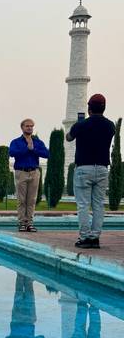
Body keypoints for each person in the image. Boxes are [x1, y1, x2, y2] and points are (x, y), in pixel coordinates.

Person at [66, 93, 115, 248]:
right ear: (104, 107)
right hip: (102, 168)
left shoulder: (81, 125)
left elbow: (68, 137)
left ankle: (85, 237)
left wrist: (77, 126)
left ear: (89, 108)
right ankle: (95, 237)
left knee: (83, 205)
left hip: (84, 168)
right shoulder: (110, 125)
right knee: (99, 205)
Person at [9, 118, 49, 232]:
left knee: (31, 200)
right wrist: (27, 149)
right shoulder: (16, 142)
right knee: (22, 200)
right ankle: (22, 222)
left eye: (31, 126)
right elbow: (12, 153)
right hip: (21, 172)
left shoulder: (37, 142)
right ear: (22, 127)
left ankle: (30, 223)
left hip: (34, 172)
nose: (30, 128)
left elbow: (46, 154)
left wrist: (34, 149)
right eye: (27, 126)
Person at [5, 273, 45, 338]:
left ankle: (20, 271)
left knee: (18, 292)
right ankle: (27, 274)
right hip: (29, 320)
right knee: (29, 292)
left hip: (17, 319)